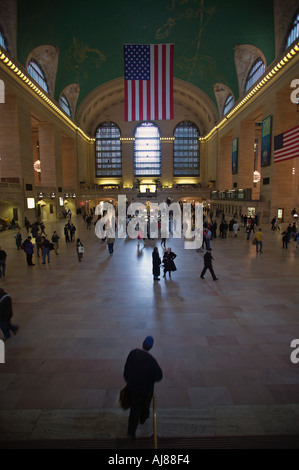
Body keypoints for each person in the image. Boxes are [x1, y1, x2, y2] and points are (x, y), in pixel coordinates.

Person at [123, 336, 163, 439]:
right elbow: (159, 376)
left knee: (134, 409)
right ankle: (143, 418)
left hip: (133, 388)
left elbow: (126, 370)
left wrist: (128, 380)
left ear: (143, 343)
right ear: (151, 347)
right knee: (145, 406)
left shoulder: (133, 353)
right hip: (146, 390)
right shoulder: (151, 361)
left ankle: (131, 432)